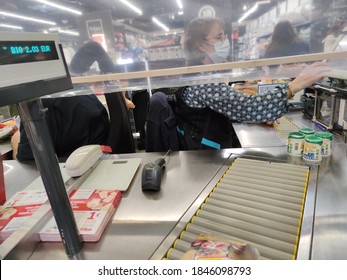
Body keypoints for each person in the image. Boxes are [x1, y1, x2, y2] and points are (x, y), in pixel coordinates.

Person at [145, 17, 330, 152]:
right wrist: (294, 85)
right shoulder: (203, 82)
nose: (225, 41)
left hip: (202, 148)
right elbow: (247, 106)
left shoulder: (196, 74)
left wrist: (260, 111)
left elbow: (231, 105)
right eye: (219, 37)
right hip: (208, 158)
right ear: (201, 45)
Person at [11, 94, 110, 161]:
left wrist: (16, 137)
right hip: (101, 158)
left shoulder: (36, 104)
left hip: (76, 168)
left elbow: (27, 161)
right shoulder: (78, 89)